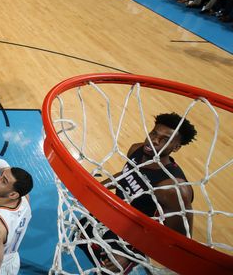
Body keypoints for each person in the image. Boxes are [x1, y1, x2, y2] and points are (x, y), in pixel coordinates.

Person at [80, 113, 196, 272]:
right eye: (154, 133)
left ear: (176, 147)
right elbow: (125, 173)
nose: (154, 140)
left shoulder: (172, 188)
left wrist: (131, 254)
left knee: (108, 269)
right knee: (80, 239)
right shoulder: (137, 149)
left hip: (134, 237)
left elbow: (177, 239)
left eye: (164, 139)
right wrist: (99, 187)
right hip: (112, 213)